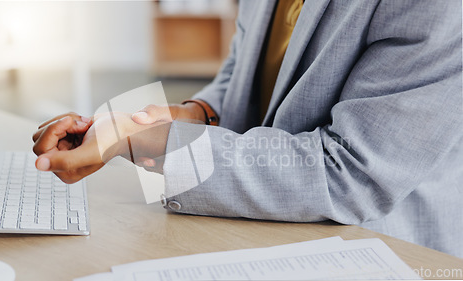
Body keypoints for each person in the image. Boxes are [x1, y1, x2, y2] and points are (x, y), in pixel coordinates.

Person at [32, 0, 463, 258]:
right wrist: (196, 113)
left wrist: (140, 139)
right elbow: (242, 74)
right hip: (265, 220)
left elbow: (350, 172)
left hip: (384, 245)